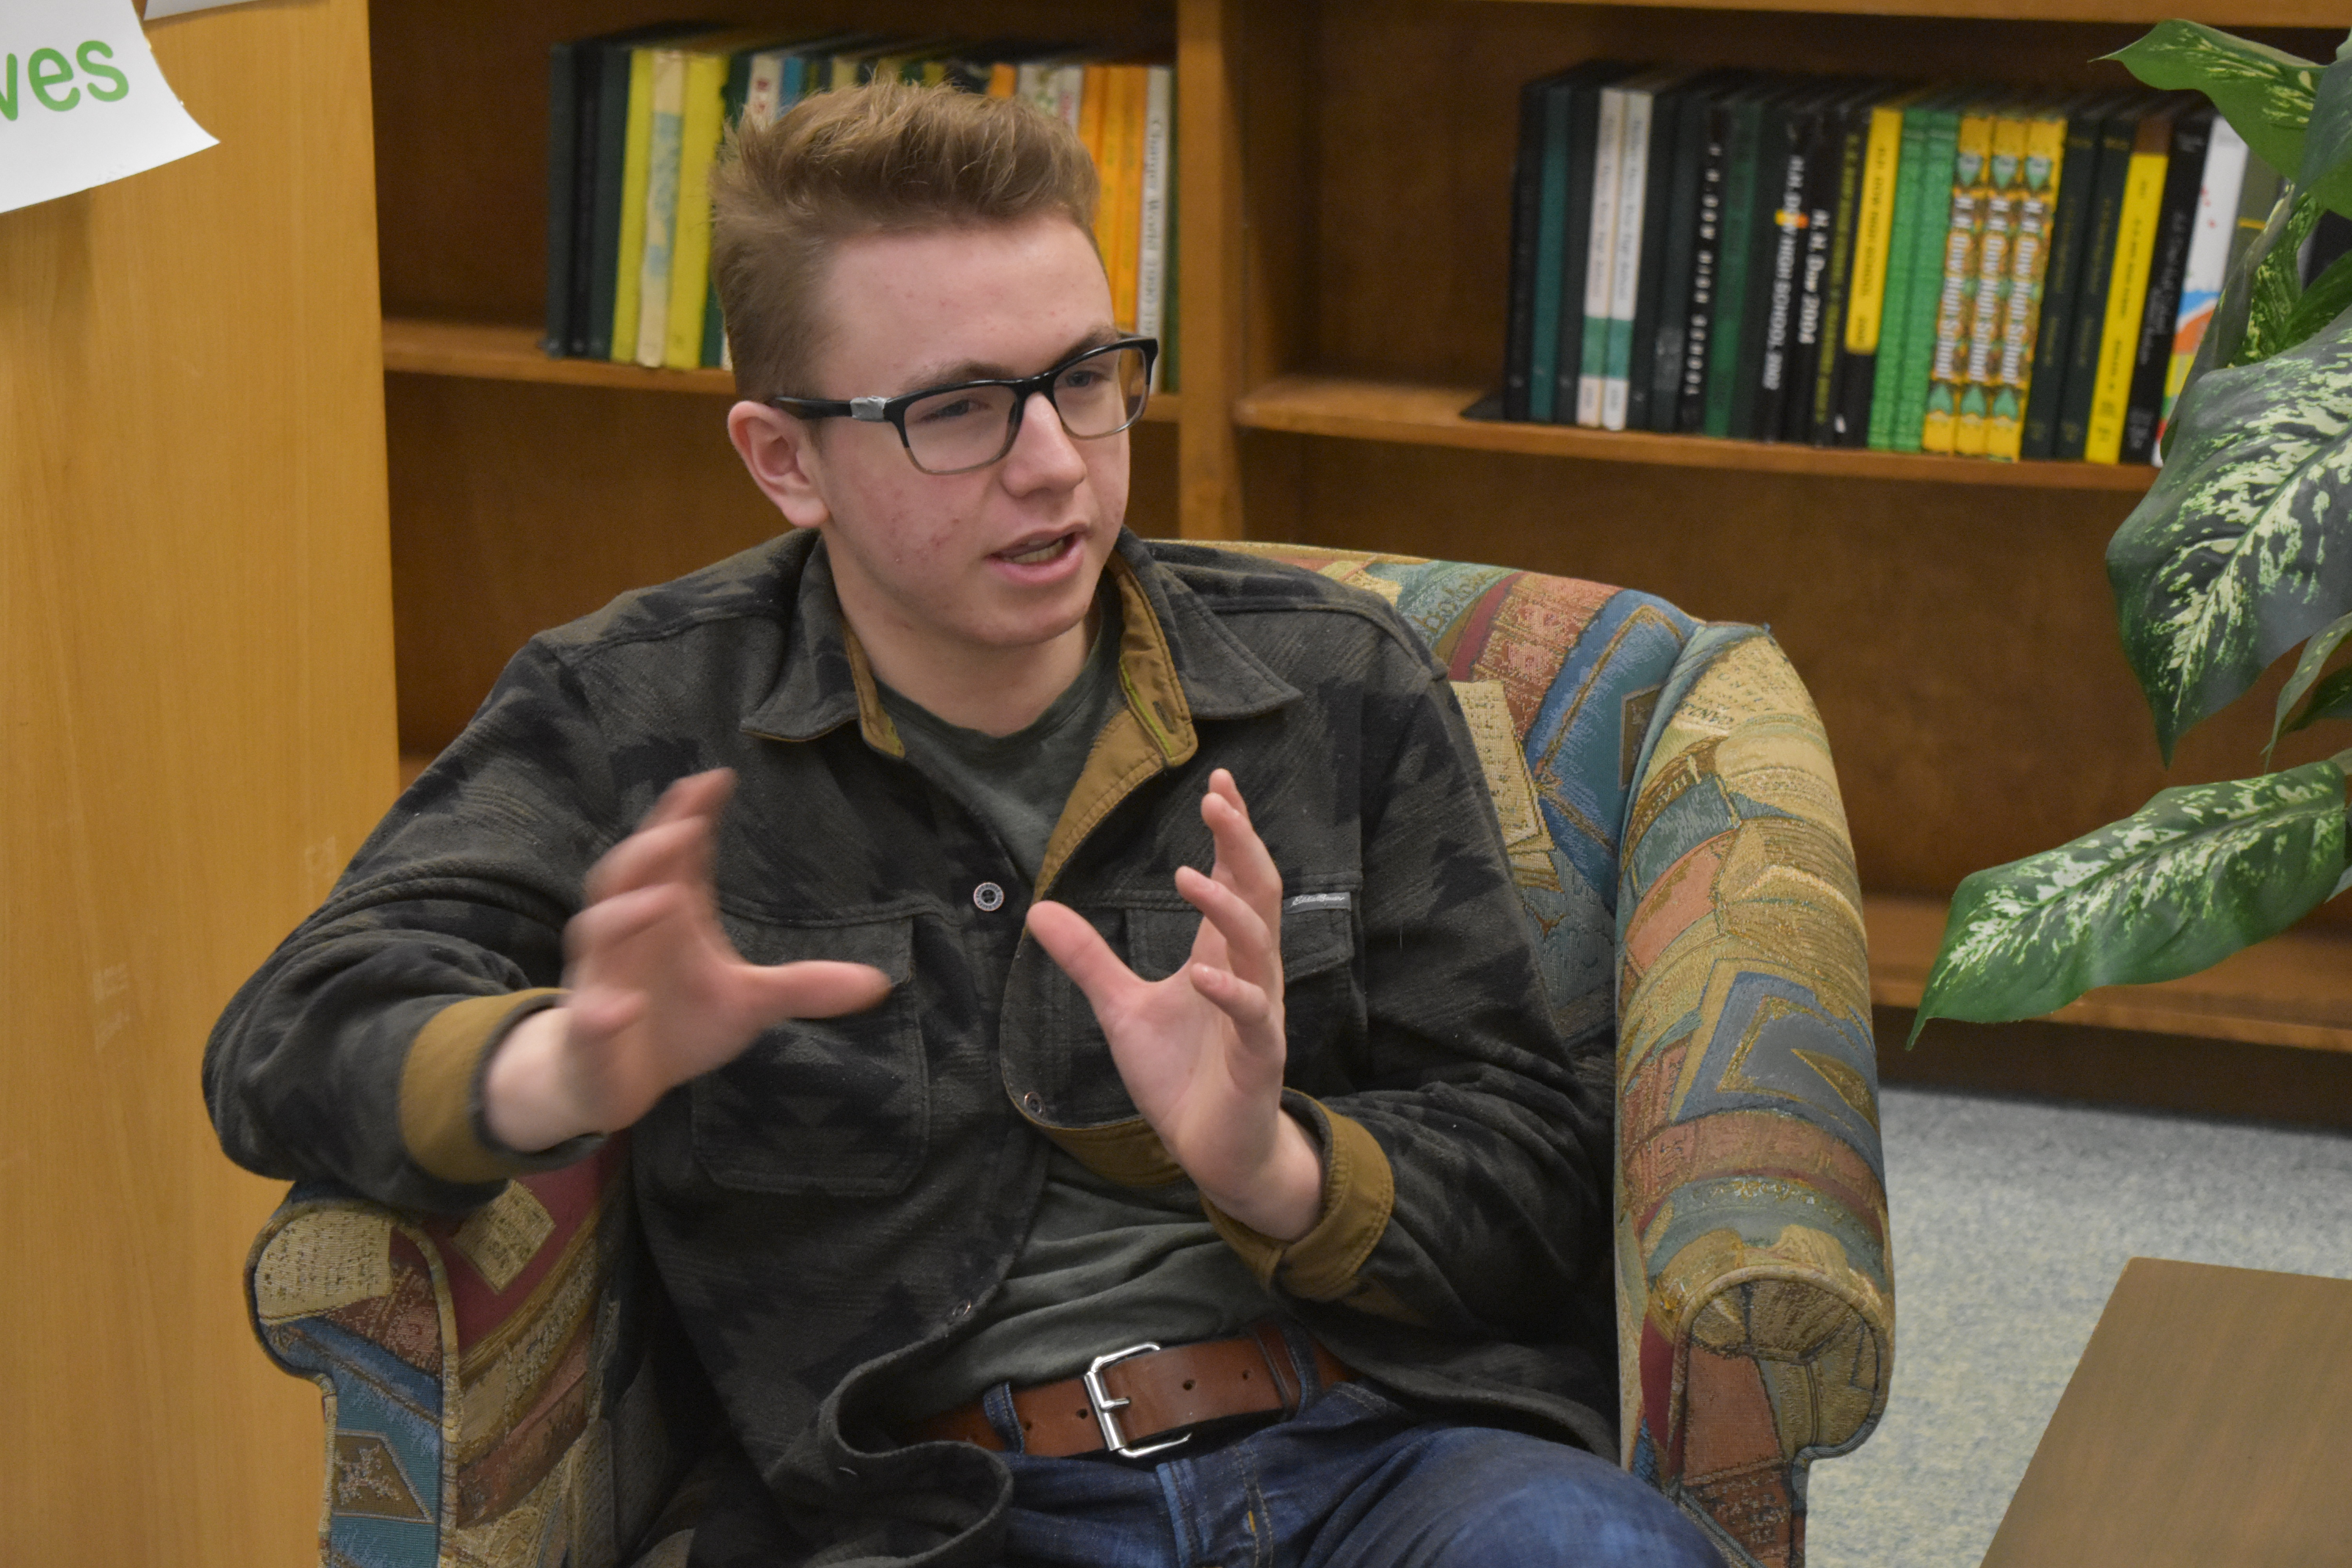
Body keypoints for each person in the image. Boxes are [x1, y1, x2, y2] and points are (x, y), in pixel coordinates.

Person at [205, 83, 1720, 1568]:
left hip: (1382, 1453)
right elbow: (283, 1043)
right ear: (784, 459)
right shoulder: (636, 714)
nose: (1056, 460)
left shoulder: (1334, 683)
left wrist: (1274, 1166)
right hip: (937, 1510)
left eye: (1086, 377)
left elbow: (1538, 1175)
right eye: (958, 409)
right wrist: (569, 1065)